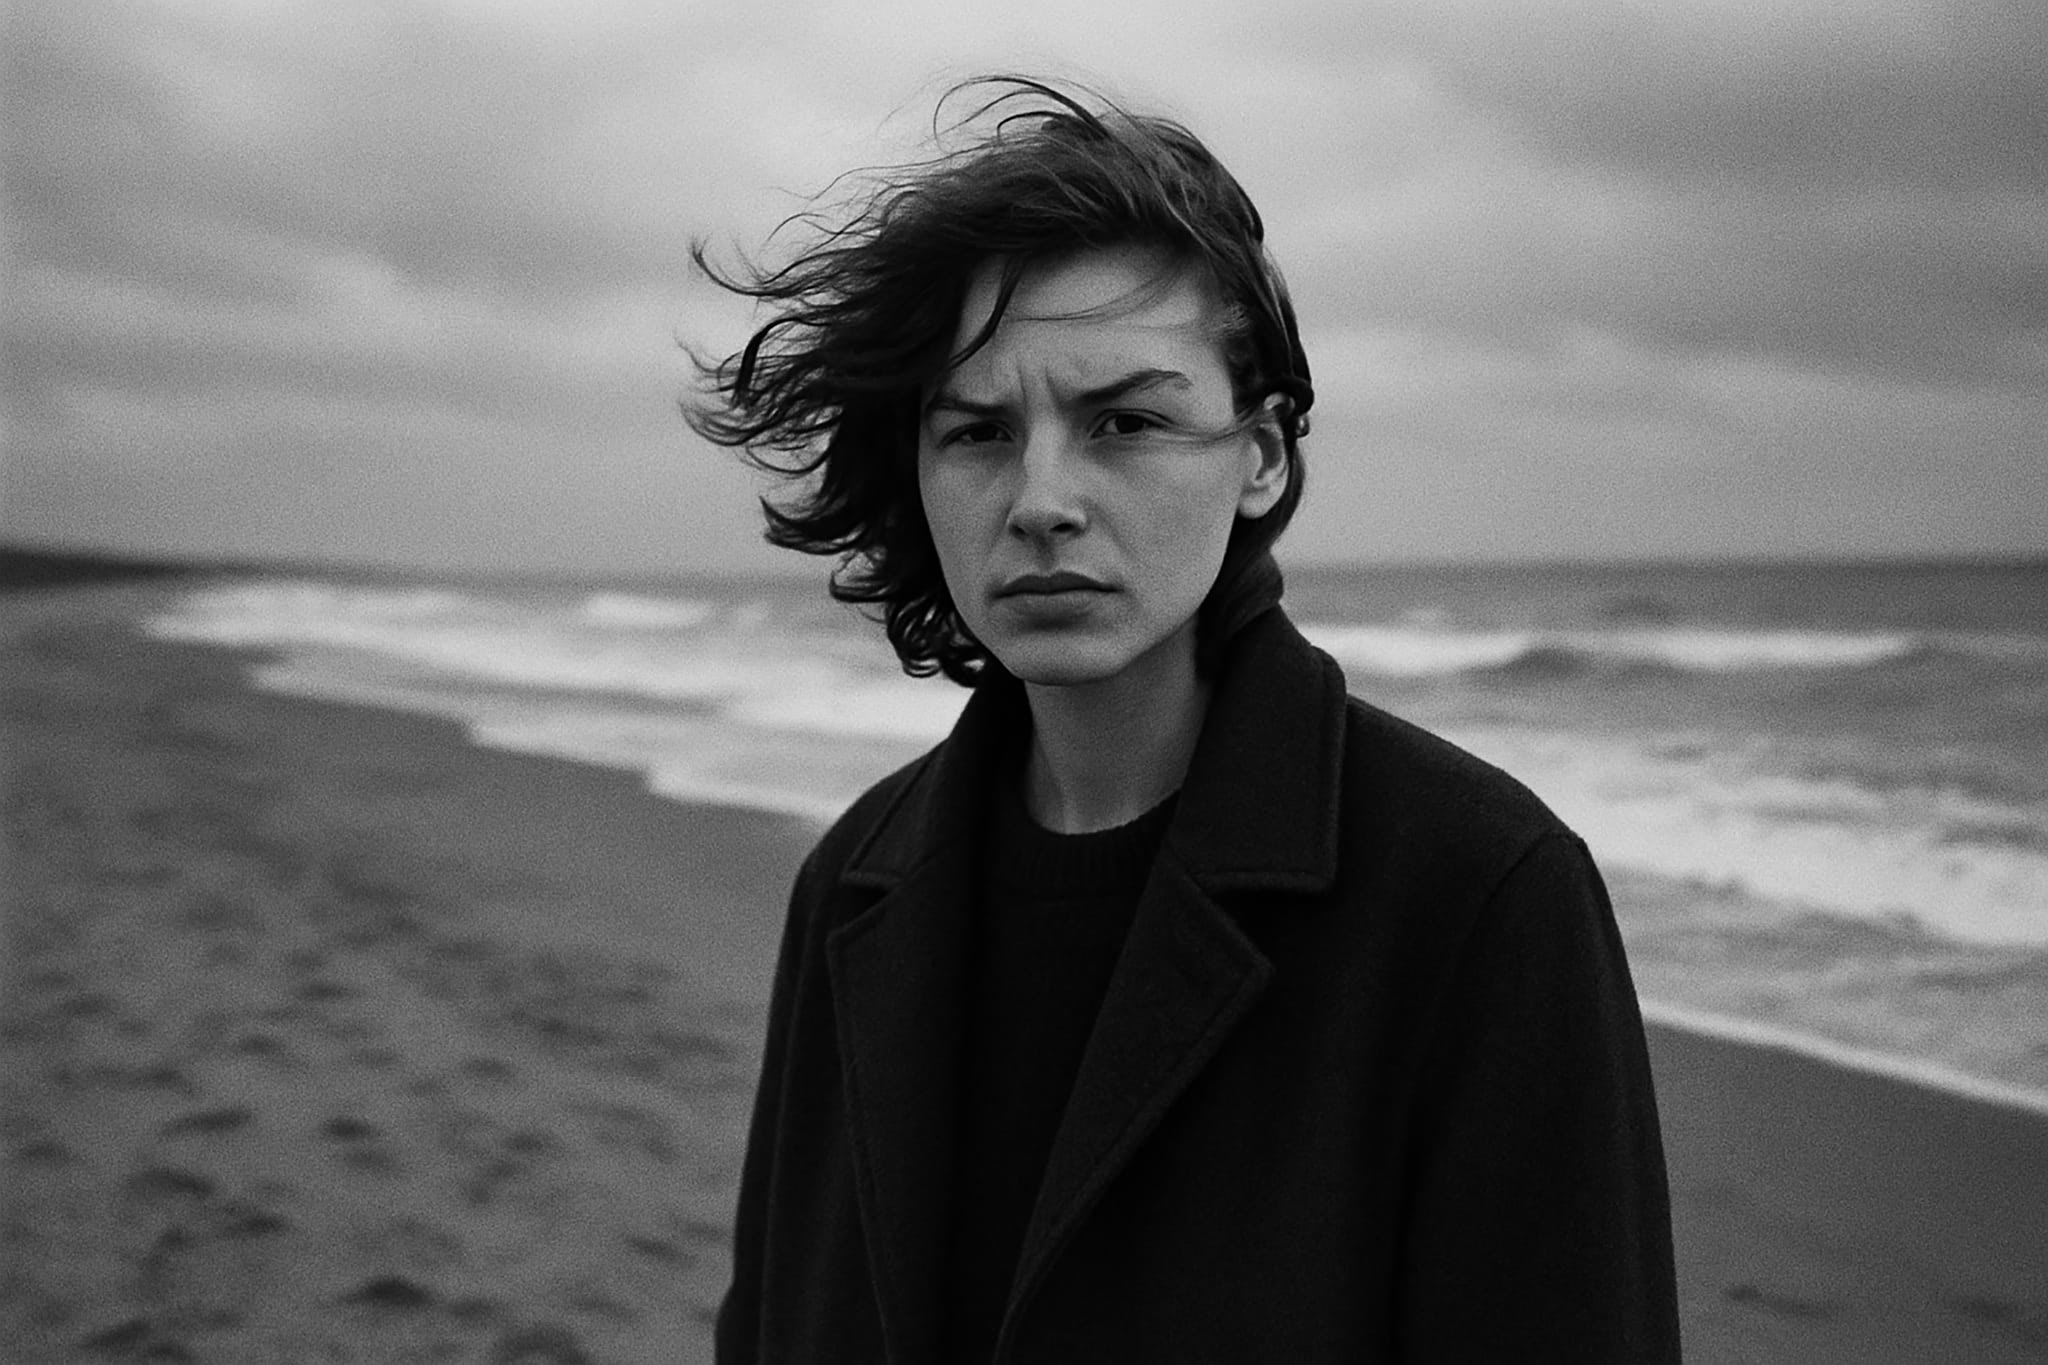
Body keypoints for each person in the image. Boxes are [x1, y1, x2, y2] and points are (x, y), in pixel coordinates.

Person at [690, 76, 1680, 1363]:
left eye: (1125, 421)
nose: (1042, 497)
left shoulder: (1477, 891)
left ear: (1258, 454)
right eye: (978, 431)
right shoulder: (857, 881)